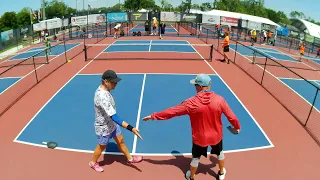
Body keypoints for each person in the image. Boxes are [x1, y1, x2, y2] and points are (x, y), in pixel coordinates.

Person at [142, 74, 241, 180]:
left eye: (195, 85)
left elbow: (172, 112)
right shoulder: (220, 100)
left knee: (195, 158)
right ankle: (221, 173)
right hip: (216, 136)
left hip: (200, 138)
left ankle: (192, 176)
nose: (195, 87)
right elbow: (232, 116)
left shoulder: (190, 103)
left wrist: (153, 116)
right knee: (220, 153)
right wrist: (236, 127)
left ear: (200, 86)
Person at [89, 70, 143, 173]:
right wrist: (131, 128)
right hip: (104, 127)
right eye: (113, 82)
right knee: (101, 147)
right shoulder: (102, 97)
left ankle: (130, 159)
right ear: (106, 81)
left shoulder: (105, 90)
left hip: (111, 124)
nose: (116, 84)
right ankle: (93, 162)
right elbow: (114, 117)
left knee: (120, 140)